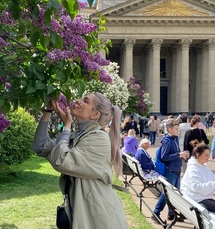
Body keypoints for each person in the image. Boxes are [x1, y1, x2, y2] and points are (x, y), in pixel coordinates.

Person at [32, 92, 129, 229]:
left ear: (95, 115)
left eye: (85, 100)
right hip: (85, 211)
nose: (77, 101)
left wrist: (66, 127)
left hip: (99, 217)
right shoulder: (79, 136)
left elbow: (61, 160)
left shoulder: (98, 139)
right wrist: (48, 110)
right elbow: (40, 146)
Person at [151, 119, 189, 224]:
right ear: (169, 129)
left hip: (176, 170)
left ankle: (171, 213)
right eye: (176, 129)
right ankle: (156, 213)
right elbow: (164, 157)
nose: (178, 131)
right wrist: (178, 155)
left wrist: (182, 155)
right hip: (170, 171)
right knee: (166, 194)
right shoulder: (167, 141)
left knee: (174, 194)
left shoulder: (174, 139)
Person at [181, 143, 215, 212]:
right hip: (196, 200)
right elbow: (195, 186)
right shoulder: (193, 169)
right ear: (198, 155)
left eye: (209, 154)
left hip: (202, 198)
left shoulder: (204, 166)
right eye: (206, 155)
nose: (209, 157)